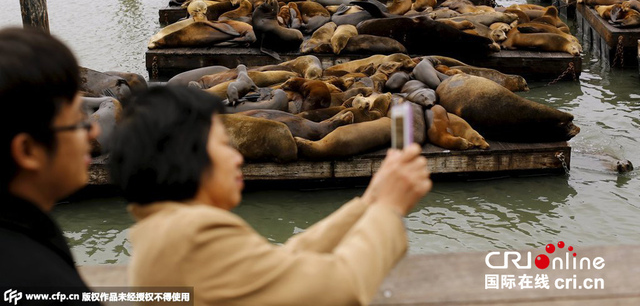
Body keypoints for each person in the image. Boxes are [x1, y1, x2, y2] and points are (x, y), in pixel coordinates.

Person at [109, 85, 431, 306]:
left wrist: (369, 202)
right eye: (224, 145)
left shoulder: (164, 233)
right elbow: (339, 288)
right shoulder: (192, 237)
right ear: (187, 156)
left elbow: (282, 263)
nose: (238, 158)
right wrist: (388, 208)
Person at [0, 27, 101, 295]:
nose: (94, 131)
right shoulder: (38, 284)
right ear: (28, 151)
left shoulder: (28, 235)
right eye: (78, 122)